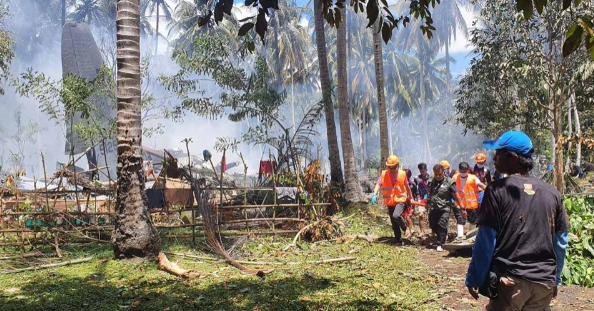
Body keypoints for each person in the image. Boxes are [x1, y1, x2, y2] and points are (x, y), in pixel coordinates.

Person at [466, 130, 569, 310]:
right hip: (543, 284)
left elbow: (485, 241)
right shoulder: (552, 193)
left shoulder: (497, 190)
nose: (494, 159)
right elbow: (560, 242)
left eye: (498, 154)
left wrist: (475, 277)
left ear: (512, 158)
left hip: (511, 283)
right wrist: (555, 279)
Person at [371, 155, 413, 245]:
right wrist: (374, 194)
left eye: (394, 167)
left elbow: (407, 186)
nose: (392, 169)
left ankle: (406, 229)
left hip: (400, 199)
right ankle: (398, 240)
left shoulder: (402, 174)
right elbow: (378, 184)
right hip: (390, 201)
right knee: (394, 223)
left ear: (397, 165)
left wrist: (410, 197)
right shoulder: (384, 174)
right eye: (390, 167)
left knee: (396, 215)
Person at [426, 164, 458, 252]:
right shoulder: (431, 181)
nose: (438, 176)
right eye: (436, 174)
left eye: (440, 174)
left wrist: (460, 205)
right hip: (433, 207)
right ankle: (442, 235)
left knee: (442, 224)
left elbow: (455, 194)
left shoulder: (449, 182)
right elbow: (429, 192)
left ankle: (441, 243)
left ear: (443, 172)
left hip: (445, 207)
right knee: (432, 224)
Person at [453, 162, 486, 235]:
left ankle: (471, 235)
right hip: (459, 203)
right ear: (459, 170)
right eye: (461, 171)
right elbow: (451, 188)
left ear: (468, 170)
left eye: (465, 171)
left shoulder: (473, 178)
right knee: (460, 220)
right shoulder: (455, 177)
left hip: (471, 204)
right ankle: (460, 236)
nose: (463, 173)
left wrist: (490, 191)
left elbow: (481, 185)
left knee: (473, 221)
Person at [413, 163, 430, 238]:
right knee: (421, 215)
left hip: (430, 199)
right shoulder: (417, 178)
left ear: (426, 170)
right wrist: (417, 197)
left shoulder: (431, 178)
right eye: (421, 171)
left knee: (432, 216)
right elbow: (414, 188)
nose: (422, 173)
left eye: (424, 171)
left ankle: (433, 231)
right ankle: (422, 231)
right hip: (421, 199)